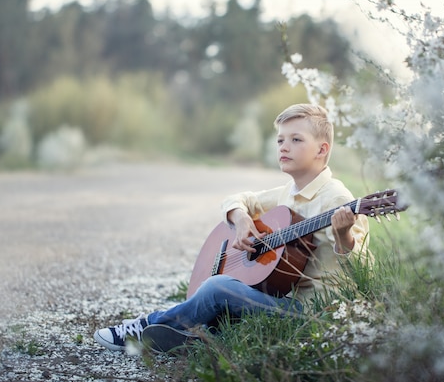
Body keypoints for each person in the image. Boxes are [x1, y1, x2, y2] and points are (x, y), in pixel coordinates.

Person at [94, 103, 370, 352]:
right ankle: (193, 336)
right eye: (280, 140)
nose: (283, 147)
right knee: (231, 292)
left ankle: (143, 328)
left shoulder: (339, 200)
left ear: (322, 149)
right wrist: (241, 220)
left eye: (296, 140)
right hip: (281, 296)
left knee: (218, 288)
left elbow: (360, 269)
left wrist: (343, 235)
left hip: (315, 312)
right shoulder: (289, 192)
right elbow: (238, 199)